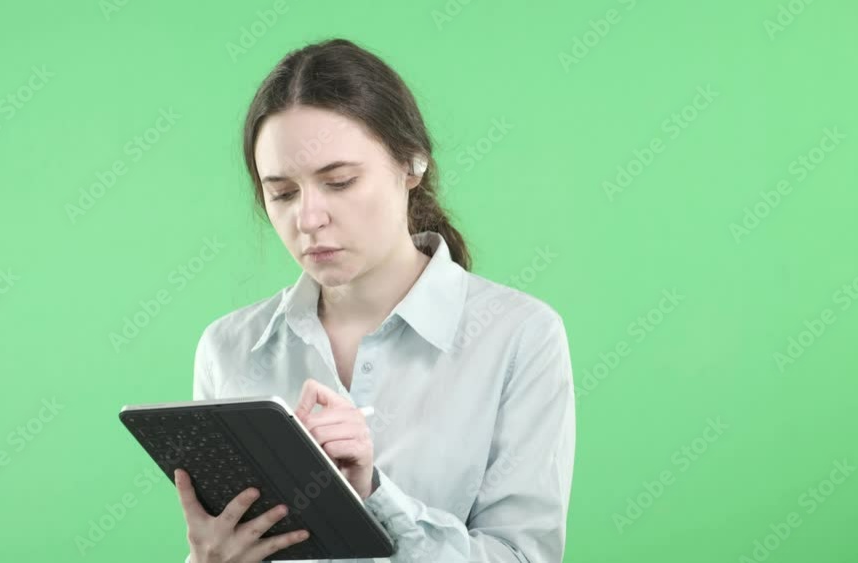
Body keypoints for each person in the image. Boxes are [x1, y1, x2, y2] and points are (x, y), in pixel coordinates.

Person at [175, 37, 575, 563]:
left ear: (412, 164)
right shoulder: (228, 348)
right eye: (283, 193)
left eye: (339, 182)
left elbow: (523, 557)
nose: (309, 218)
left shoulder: (519, 336)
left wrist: (373, 495)